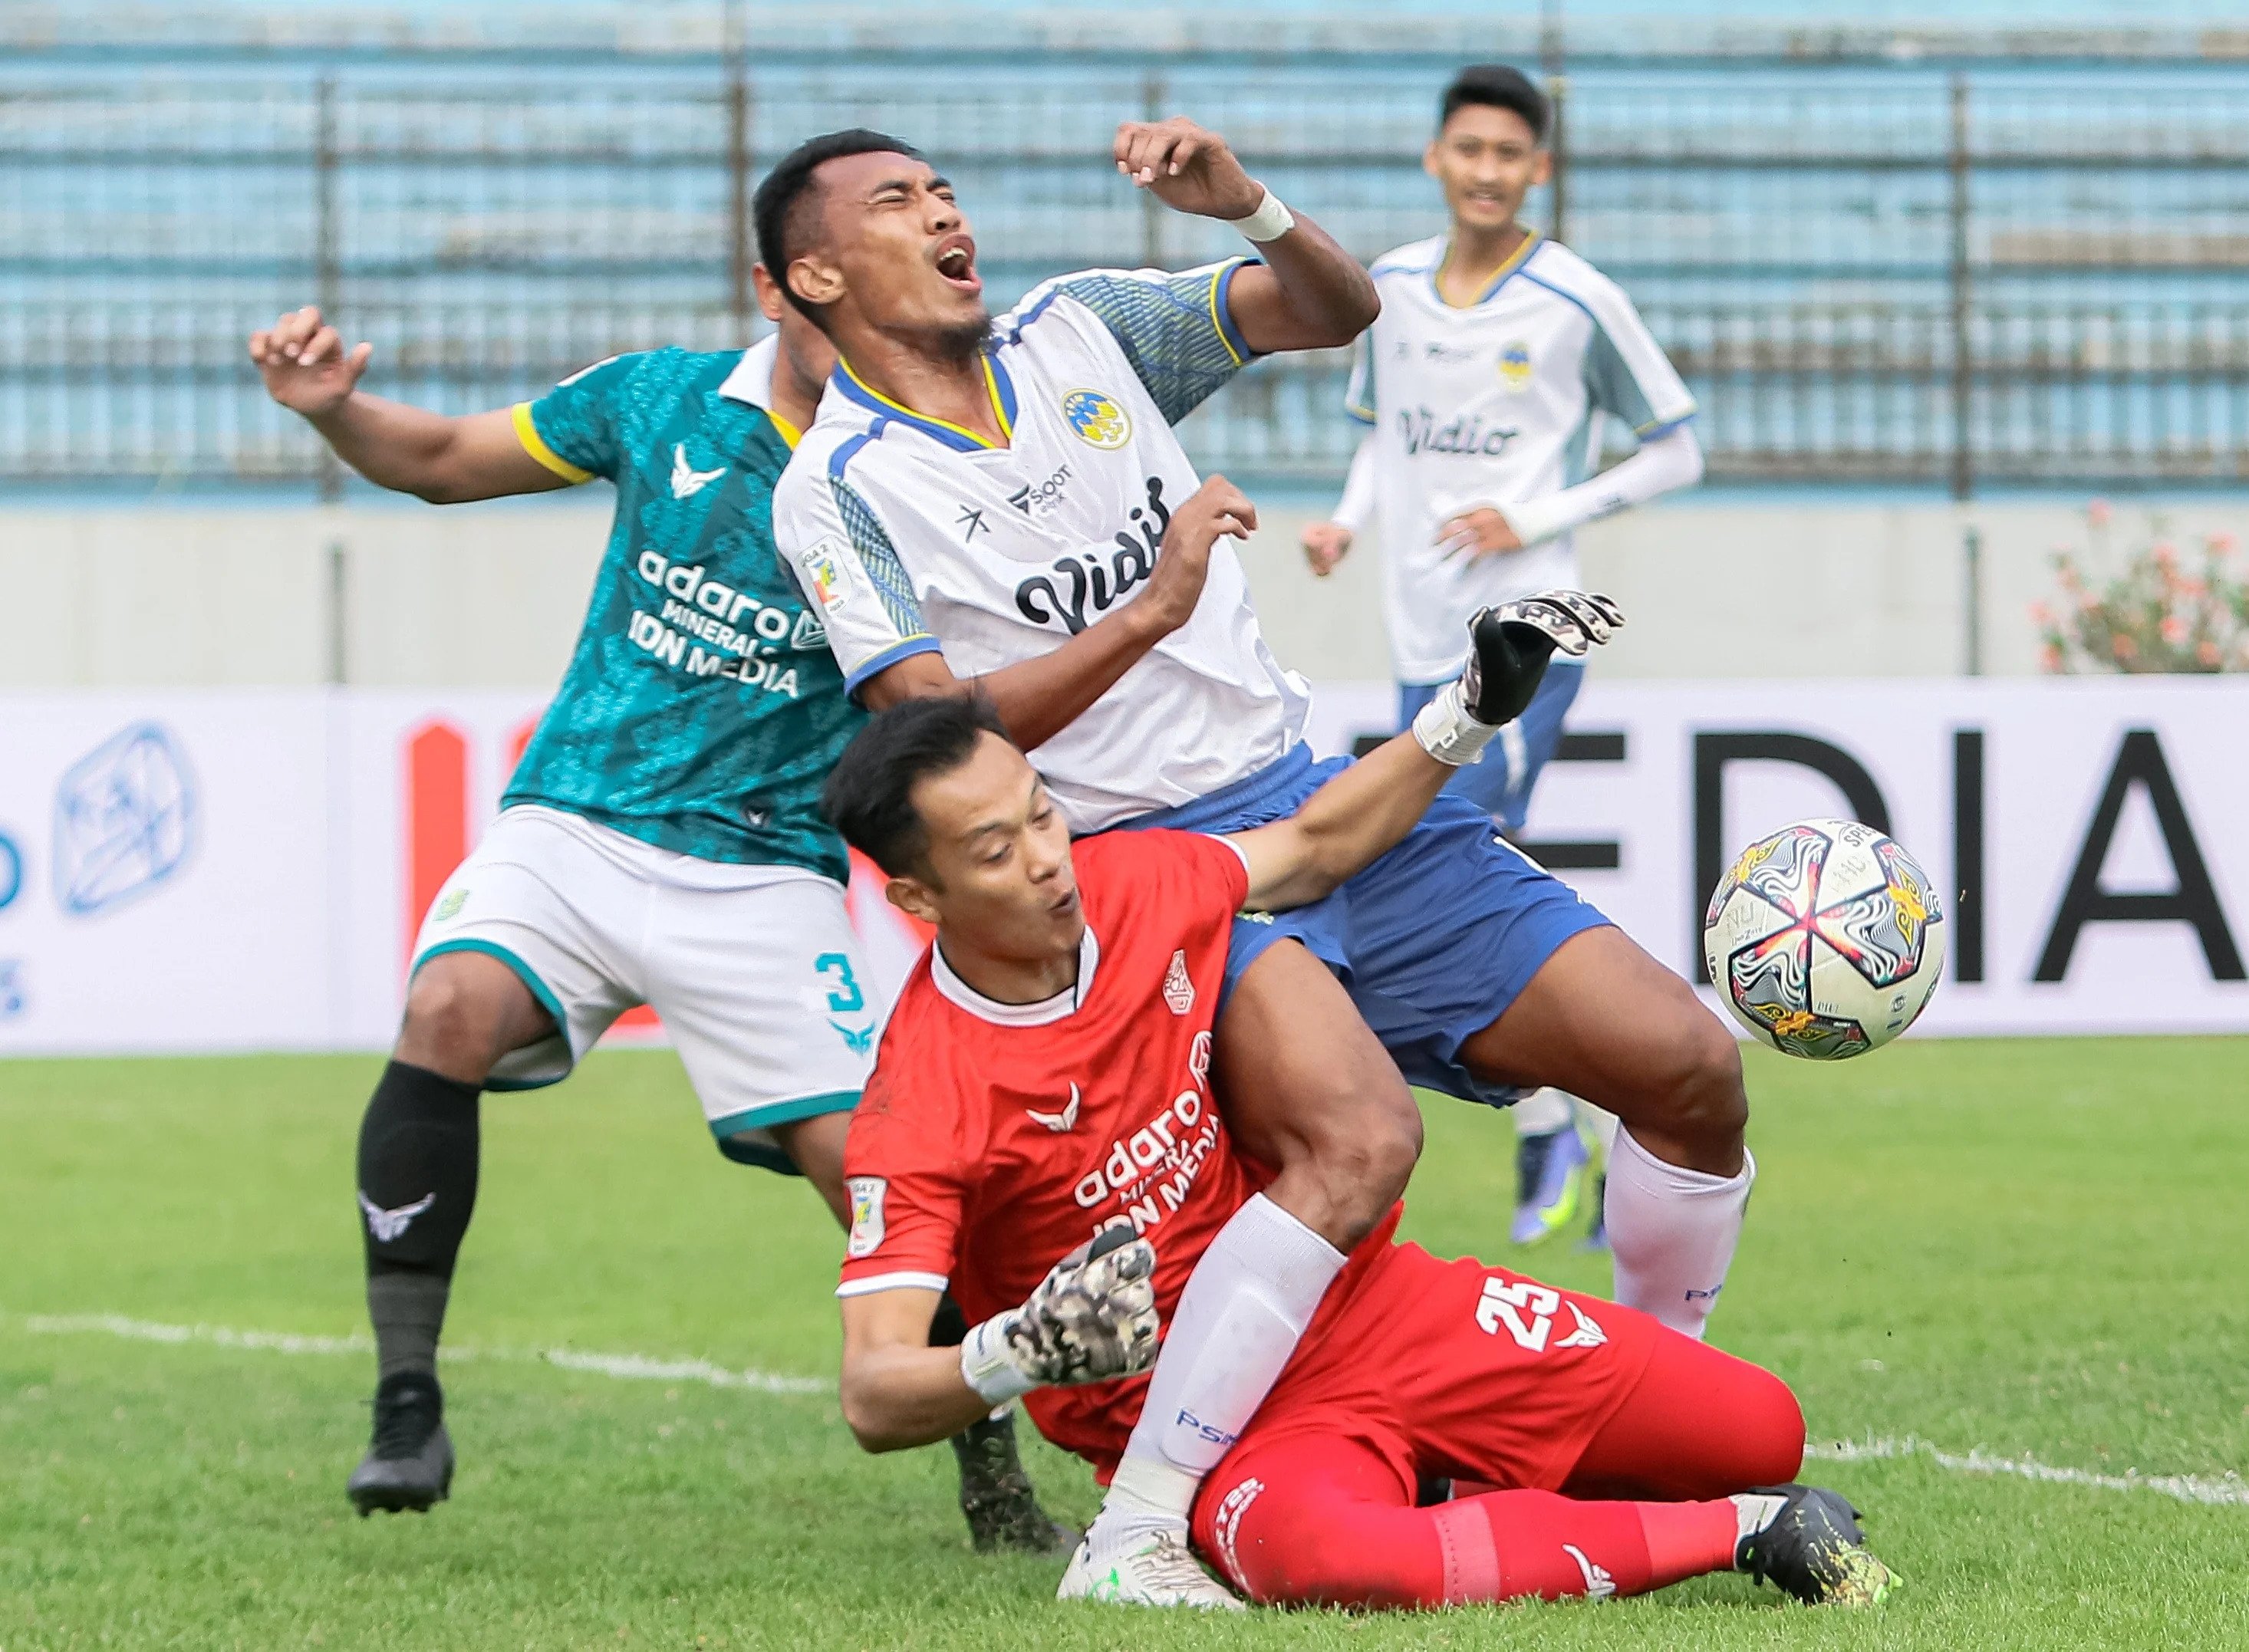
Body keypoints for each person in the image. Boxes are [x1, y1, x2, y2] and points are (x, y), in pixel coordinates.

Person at [760, 121, 1758, 1595]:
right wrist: (1151, 610)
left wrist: (1250, 207)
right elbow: (936, 728)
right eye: (898, 202)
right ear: (816, 273)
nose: (945, 213)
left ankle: (1637, 1398)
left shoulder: (1084, 329)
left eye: (947, 190)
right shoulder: (835, 487)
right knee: (1356, 1140)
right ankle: (1146, 1518)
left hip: (1317, 798)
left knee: (1685, 1064)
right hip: (1137, 868)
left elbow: (1333, 312)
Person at [246, 268, 1225, 1541]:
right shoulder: (661, 401)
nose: (872, 334)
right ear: (779, 283)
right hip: (579, 822)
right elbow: (436, 456)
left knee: (876, 1178)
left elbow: (956, 694)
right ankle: (404, 1400)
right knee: (447, 1009)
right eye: (845, 305)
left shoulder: (901, 475)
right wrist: (335, 411)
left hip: (767, 874)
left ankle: (993, 1472)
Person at [818, 690, 1899, 1612]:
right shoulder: (920, 1102)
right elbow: (874, 1389)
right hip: (1218, 1437)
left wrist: (1463, 712)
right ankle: (1751, 1532)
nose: (1050, 863)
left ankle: (1460, 1486)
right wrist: (1016, 1349)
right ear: (916, 897)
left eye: (1044, 815)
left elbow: (1319, 842)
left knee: (1761, 1424)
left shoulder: (1136, 882)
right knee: (1334, 1558)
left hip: (1373, 1310)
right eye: (998, 851)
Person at [1301, 65, 1706, 1253]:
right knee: (1446, 863)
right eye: (1467, 149)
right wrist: (1344, 517)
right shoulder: (1388, 287)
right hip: (1415, 631)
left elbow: (1677, 448)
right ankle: (1567, 1109)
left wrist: (1529, 522)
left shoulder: (1576, 297)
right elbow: (1386, 437)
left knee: (1430, 856)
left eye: (1508, 155)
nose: (1486, 170)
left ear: (1539, 170)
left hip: (1531, 627)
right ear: (1437, 157)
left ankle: (1545, 1120)